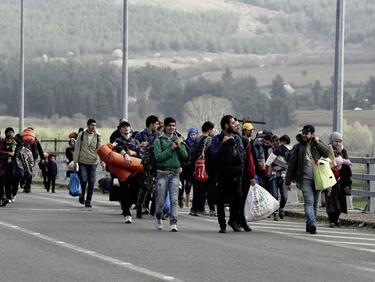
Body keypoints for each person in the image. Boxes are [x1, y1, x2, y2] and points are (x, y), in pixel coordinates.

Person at [285, 125, 330, 234]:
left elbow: (327, 153)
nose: (304, 135)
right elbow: (291, 165)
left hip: (318, 178)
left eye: (306, 133)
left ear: (312, 134)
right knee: (309, 202)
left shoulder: (317, 144)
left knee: (315, 204)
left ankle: (309, 224)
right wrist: (288, 181)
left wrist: (318, 142)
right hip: (305, 179)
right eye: (303, 133)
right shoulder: (298, 147)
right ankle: (313, 224)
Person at [211, 115, 248, 233]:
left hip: (235, 173)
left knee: (237, 197)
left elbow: (243, 156)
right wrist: (223, 144)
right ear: (226, 125)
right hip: (221, 174)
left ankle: (233, 220)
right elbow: (214, 156)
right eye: (232, 123)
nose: (235, 125)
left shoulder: (237, 138)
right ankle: (222, 224)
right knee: (220, 199)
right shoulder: (216, 139)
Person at [153, 117, 188, 232]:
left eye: (173, 125)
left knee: (174, 200)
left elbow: (185, 156)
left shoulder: (178, 140)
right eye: (169, 125)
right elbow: (159, 158)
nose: (172, 128)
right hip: (162, 174)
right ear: (165, 127)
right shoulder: (159, 141)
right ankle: (158, 217)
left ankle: (173, 222)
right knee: (161, 201)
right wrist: (171, 148)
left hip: (175, 174)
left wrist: (178, 147)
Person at [113, 120, 141, 223]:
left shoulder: (135, 141)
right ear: (120, 130)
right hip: (122, 170)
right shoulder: (117, 140)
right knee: (124, 190)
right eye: (123, 127)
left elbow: (140, 152)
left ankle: (126, 207)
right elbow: (116, 147)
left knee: (135, 191)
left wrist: (135, 152)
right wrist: (125, 154)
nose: (126, 128)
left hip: (134, 170)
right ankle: (127, 214)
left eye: (127, 126)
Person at [134, 115, 160, 218]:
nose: (158, 126)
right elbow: (133, 147)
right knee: (143, 188)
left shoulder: (159, 135)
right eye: (156, 124)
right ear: (151, 124)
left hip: (156, 164)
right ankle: (139, 209)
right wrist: (140, 145)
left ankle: (153, 211)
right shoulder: (140, 135)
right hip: (144, 164)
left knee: (156, 188)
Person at [324, 132, 352, 227]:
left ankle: (336, 218)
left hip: (341, 179)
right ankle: (332, 220)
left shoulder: (344, 151)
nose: (338, 143)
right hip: (329, 178)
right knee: (331, 200)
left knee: (340, 199)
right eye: (336, 141)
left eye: (340, 141)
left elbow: (347, 164)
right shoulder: (327, 150)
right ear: (332, 141)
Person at [189, 121, 216, 216]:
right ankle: (200, 209)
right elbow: (210, 154)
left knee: (196, 188)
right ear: (209, 130)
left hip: (196, 166)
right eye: (212, 129)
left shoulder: (197, 138)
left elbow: (192, 152)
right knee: (203, 189)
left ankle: (193, 209)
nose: (213, 131)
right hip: (204, 167)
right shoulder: (209, 140)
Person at [73, 119, 101, 208]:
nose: (94, 127)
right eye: (92, 125)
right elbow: (77, 149)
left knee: (92, 181)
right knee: (83, 179)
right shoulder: (81, 135)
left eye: (95, 125)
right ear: (88, 125)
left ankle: (88, 200)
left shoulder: (98, 136)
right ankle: (82, 195)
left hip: (93, 161)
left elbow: (100, 150)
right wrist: (75, 162)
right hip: (83, 161)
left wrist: (102, 161)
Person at [266, 134, 291, 219]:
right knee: (275, 195)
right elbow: (269, 161)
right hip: (273, 176)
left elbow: (288, 164)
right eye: (273, 141)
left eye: (277, 141)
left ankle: (281, 208)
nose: (276, 143)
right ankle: (275, 212)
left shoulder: (285, 151)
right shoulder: (270, 150)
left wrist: (281, 167)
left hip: (283, 175)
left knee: (284, 196)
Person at [178, 127, 198, 208]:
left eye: (195, 135)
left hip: (191, 168)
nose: (193, 136)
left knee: (189, 185)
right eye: (191, 135)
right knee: (181, 185)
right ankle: (180, 198)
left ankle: (187, 200)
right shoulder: (184, 143)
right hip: (184, 166)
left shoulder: (197, 144)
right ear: (189, 135)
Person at [0, 128, 16, 206]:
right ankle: (3, 197)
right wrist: (8, 153)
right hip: (3, 163)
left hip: (5, 164)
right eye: (9, 132)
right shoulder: (2, 141)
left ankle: (5, 197)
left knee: (6, 181)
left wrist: (14, 138)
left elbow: (19, 145)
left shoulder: (4, 141)